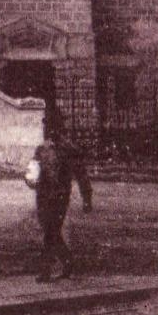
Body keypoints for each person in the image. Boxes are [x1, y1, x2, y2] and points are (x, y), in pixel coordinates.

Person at [30, 113, 92, 282]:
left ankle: (45, 271)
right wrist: (30, 179)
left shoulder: (69, 150)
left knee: (50, 231)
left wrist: (87, 198)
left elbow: (81, 175)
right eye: (46, 126)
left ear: (58, 129)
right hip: (42, 196)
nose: (47, 130)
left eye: (50, 127)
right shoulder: (41, 149)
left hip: (59, 196)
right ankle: (68, 262)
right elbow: (32, 172)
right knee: (51, 230)